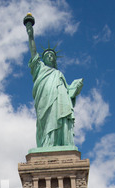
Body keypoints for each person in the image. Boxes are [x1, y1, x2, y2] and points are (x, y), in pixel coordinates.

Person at [24, 13, 83, 149]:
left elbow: (68, 93)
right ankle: (47, 145)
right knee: (46, 122)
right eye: (47, 55)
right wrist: (30, 34)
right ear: (43, 59)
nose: (50, 56)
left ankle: (60, 143)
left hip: (59, 102)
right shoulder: (39, 68)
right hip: (44, 101)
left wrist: (74, 89)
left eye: (52, 55)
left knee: (59, 117)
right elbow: (33, 52)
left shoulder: (59, 74)